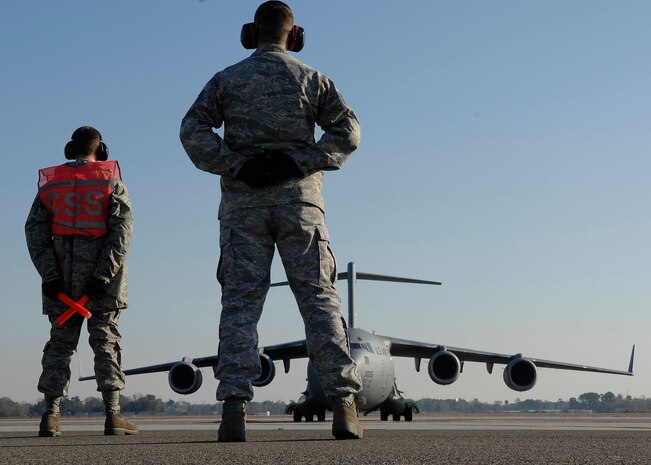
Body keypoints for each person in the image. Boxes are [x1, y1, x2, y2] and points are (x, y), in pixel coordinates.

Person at [180, 1, 363, 441]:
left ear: (250, 33)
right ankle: (343, 407)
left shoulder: (226, 80)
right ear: (294, 35)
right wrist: (299, 162)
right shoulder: (312, 79)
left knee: (240, 304)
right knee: (320, 301)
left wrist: (235, 165)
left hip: (243, 209)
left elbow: (193, 130)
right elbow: (348, 132)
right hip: (301, 205)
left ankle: (235, 412)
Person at [25, 126, 137, 436]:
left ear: (69, 148)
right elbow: (122, 234)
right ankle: (113, 416)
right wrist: (103, 274)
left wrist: (49, 275)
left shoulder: (51, 185)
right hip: (103, 282)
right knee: (106, 341)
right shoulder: (111, 181)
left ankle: (50, 415)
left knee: (60, 345)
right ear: (101, 151)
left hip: (60, 282)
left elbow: (34, 232)